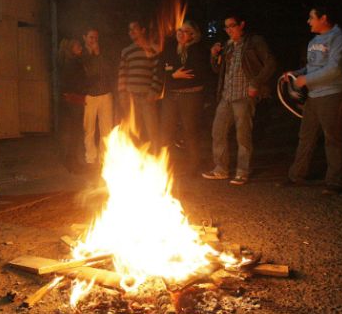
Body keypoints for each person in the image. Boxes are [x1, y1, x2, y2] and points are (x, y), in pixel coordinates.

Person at [281, 6, 342, 195]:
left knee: (333, 138)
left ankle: (335, 181)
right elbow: (311, 67)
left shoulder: (338, 38)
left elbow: (335, 68)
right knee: (306, 136)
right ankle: (297, 175)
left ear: (324, 18)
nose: (308, 21)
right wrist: (295, 74)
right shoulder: (314, 41)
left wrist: (307, 80)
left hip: (333, 93)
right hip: (314, 96)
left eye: (311, 17)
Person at [202, 13, 276, 185]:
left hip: (243, 95)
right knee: (217, 131)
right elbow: (217, 70)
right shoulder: (228, 46)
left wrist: (255, 83)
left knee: (243, 135)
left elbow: (271, 63)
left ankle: (243, 171)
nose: (229, 30)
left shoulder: (254, 42)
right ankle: (221, 169)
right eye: (226, 27)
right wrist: (214, 55)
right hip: (226, 96)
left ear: (242, 24)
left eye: (232, 25)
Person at [158, 20, 211, 176]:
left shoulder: (199, 50)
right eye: (179, 30)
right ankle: (163, 165)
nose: (180, 33)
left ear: (193, 34)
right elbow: (160, 70)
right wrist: (174, 75)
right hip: (171, 96)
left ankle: (194, 166)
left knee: (190, 130)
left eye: (185, 31)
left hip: (192, 95)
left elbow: (195, 73)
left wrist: (174, 74)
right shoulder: (170, 50)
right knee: (166, 130)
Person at [117, 20, 161, 150]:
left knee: (153, 131)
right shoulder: (127, 51)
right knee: (134, 131)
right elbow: (122, 73)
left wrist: (153, 91)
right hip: (130, 97)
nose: (131, 32)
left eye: (134, 29)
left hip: (147, 98)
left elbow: (157, 73)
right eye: (129, 30)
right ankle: (137, 160)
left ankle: (157, 160)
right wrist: (122, 93)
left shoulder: (153, 50)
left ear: (143, 30)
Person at [81, 27, 115, 167]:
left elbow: (108, 70)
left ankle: (104, 158)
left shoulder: (102, 53)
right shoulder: (81, 54)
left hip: (105, 94)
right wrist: (92, 55)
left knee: (106, 129)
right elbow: (87, 73)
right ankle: (90, 157)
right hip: (89, 96)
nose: (94, 40)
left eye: (96, 38)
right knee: (89, 129)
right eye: (91, 37)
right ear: (85, 38)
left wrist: (98, 53)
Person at [57, 38, 88, 173]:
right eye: (77, 46)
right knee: (74, 133)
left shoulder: (71, 62)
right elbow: (75, 82)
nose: (80, 48)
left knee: (73, 133)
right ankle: (72, 163)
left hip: (74, 100)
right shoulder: (72, 63)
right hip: (73, 101)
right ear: (71, 49)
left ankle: (73, 162)